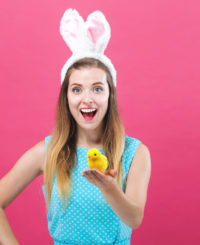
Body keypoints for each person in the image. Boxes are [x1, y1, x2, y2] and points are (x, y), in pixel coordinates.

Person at [0, 8, 151, 245]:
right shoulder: (49, 151)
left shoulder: (134, 152)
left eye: (97, 88)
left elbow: (134, 218)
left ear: (110, 95)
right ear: (66, 98)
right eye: (77, 89)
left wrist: (109, 188)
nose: (87, 98)